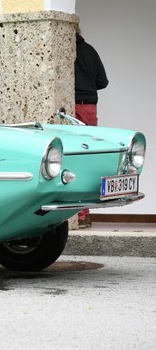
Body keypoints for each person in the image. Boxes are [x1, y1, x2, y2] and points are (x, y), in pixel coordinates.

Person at [74, 25, 108, 228]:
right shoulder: (90, 50)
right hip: (89, 109)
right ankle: (85, 214)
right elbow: (103, 82)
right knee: (87, 157)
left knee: (72, 160)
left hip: (70, 108)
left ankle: (79, 214)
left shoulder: (65, 52)